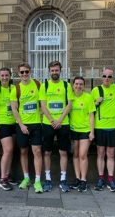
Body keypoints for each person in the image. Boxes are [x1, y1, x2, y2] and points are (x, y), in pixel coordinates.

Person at [39, 60, 74, 192]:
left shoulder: (66, 85)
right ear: (49, 71)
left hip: (63, 123)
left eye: (56, 70)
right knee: (47, 152)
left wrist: (59, 120)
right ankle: (47, 179)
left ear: (60, 71)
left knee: (63, 152)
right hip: (48, 124)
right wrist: (52, 120)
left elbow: (69, 105)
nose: (54, 72)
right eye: (52, 70)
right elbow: (43, 105)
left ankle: (63, 179)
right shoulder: (44, 85)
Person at [10, 63, 43, 193]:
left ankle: (38, 180)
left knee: (37, 152)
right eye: (22, 72)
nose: (24, 74)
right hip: (22, 125)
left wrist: (41, 117)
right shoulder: (16, 88)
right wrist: (21, 125)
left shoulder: (37, 84)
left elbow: (42, 103)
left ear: (30, 72)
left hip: (36, 124)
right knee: (23, 152)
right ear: (18, 74)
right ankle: (26, 178)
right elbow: (14, 108)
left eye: (26, 72)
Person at [91, 68, 115, 192]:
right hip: (100, 127)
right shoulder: (96, 90)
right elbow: (89, 109)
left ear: (113, 78)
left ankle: (111, 179)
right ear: (101, 77)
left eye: (109, 76)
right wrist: (96, 103)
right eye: (104, 76)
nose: (107, 78)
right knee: (100, 153)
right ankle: (101, 178)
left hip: (112, 126)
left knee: (111, 154)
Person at [0, 67, 16, 191]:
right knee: (8, 150)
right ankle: (2, 179)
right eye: (2, 75)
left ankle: (7, 175)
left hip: (13, 123)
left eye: (7, 75)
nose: (5, 78)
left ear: (10, 76)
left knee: (11, 151)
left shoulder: (13, 89)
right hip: (3, 124)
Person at [69, 77, 95, 192]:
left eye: (81, 84)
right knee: (75, 155)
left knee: (82, 155)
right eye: (76, 84)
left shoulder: (88, 97)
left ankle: (84, 180)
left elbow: (91, 115)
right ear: (73, 85)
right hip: (73, 130)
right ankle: (77, 178)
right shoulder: (70, 97)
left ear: (83, 86)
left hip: (85, 130)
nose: (78, 86)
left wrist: (92, 132)